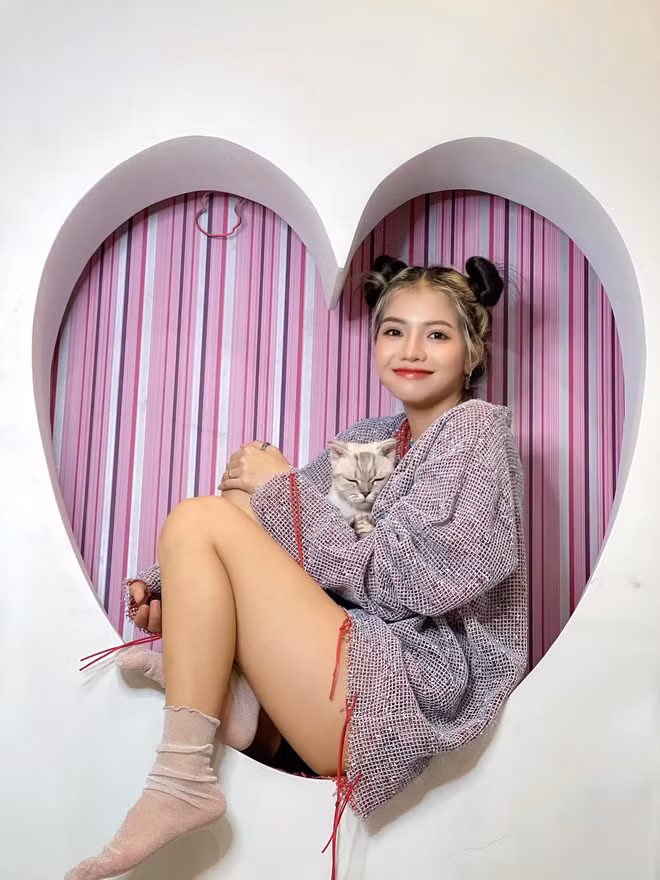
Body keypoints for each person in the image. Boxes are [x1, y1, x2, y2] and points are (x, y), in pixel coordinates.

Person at [65, 255, 528, 880]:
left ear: (471, 352)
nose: (411, 349)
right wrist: (170, 583)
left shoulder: (476, 432)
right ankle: (228, 683)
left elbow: (424, 580)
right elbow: (287, 532)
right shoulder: (375, 440)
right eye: (394, 330)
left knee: (223, 510)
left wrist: (283, 490)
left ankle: (181, 778)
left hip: (409, 688)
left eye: (437, 334)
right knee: (242, 494)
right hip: (342, 663)